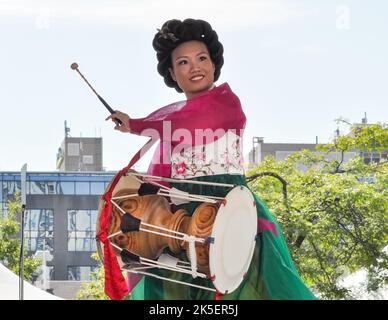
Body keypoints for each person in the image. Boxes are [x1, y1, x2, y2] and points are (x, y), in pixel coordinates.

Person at [106, 18, 316, 300]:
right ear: (171, 72)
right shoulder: (172, 119)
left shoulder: (226, 103)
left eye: (202, 58)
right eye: (183, 62)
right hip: (179, 218)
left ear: (214, 64)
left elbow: (191, 122)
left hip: (230, 211)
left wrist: (135, 124)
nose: (195, 67)